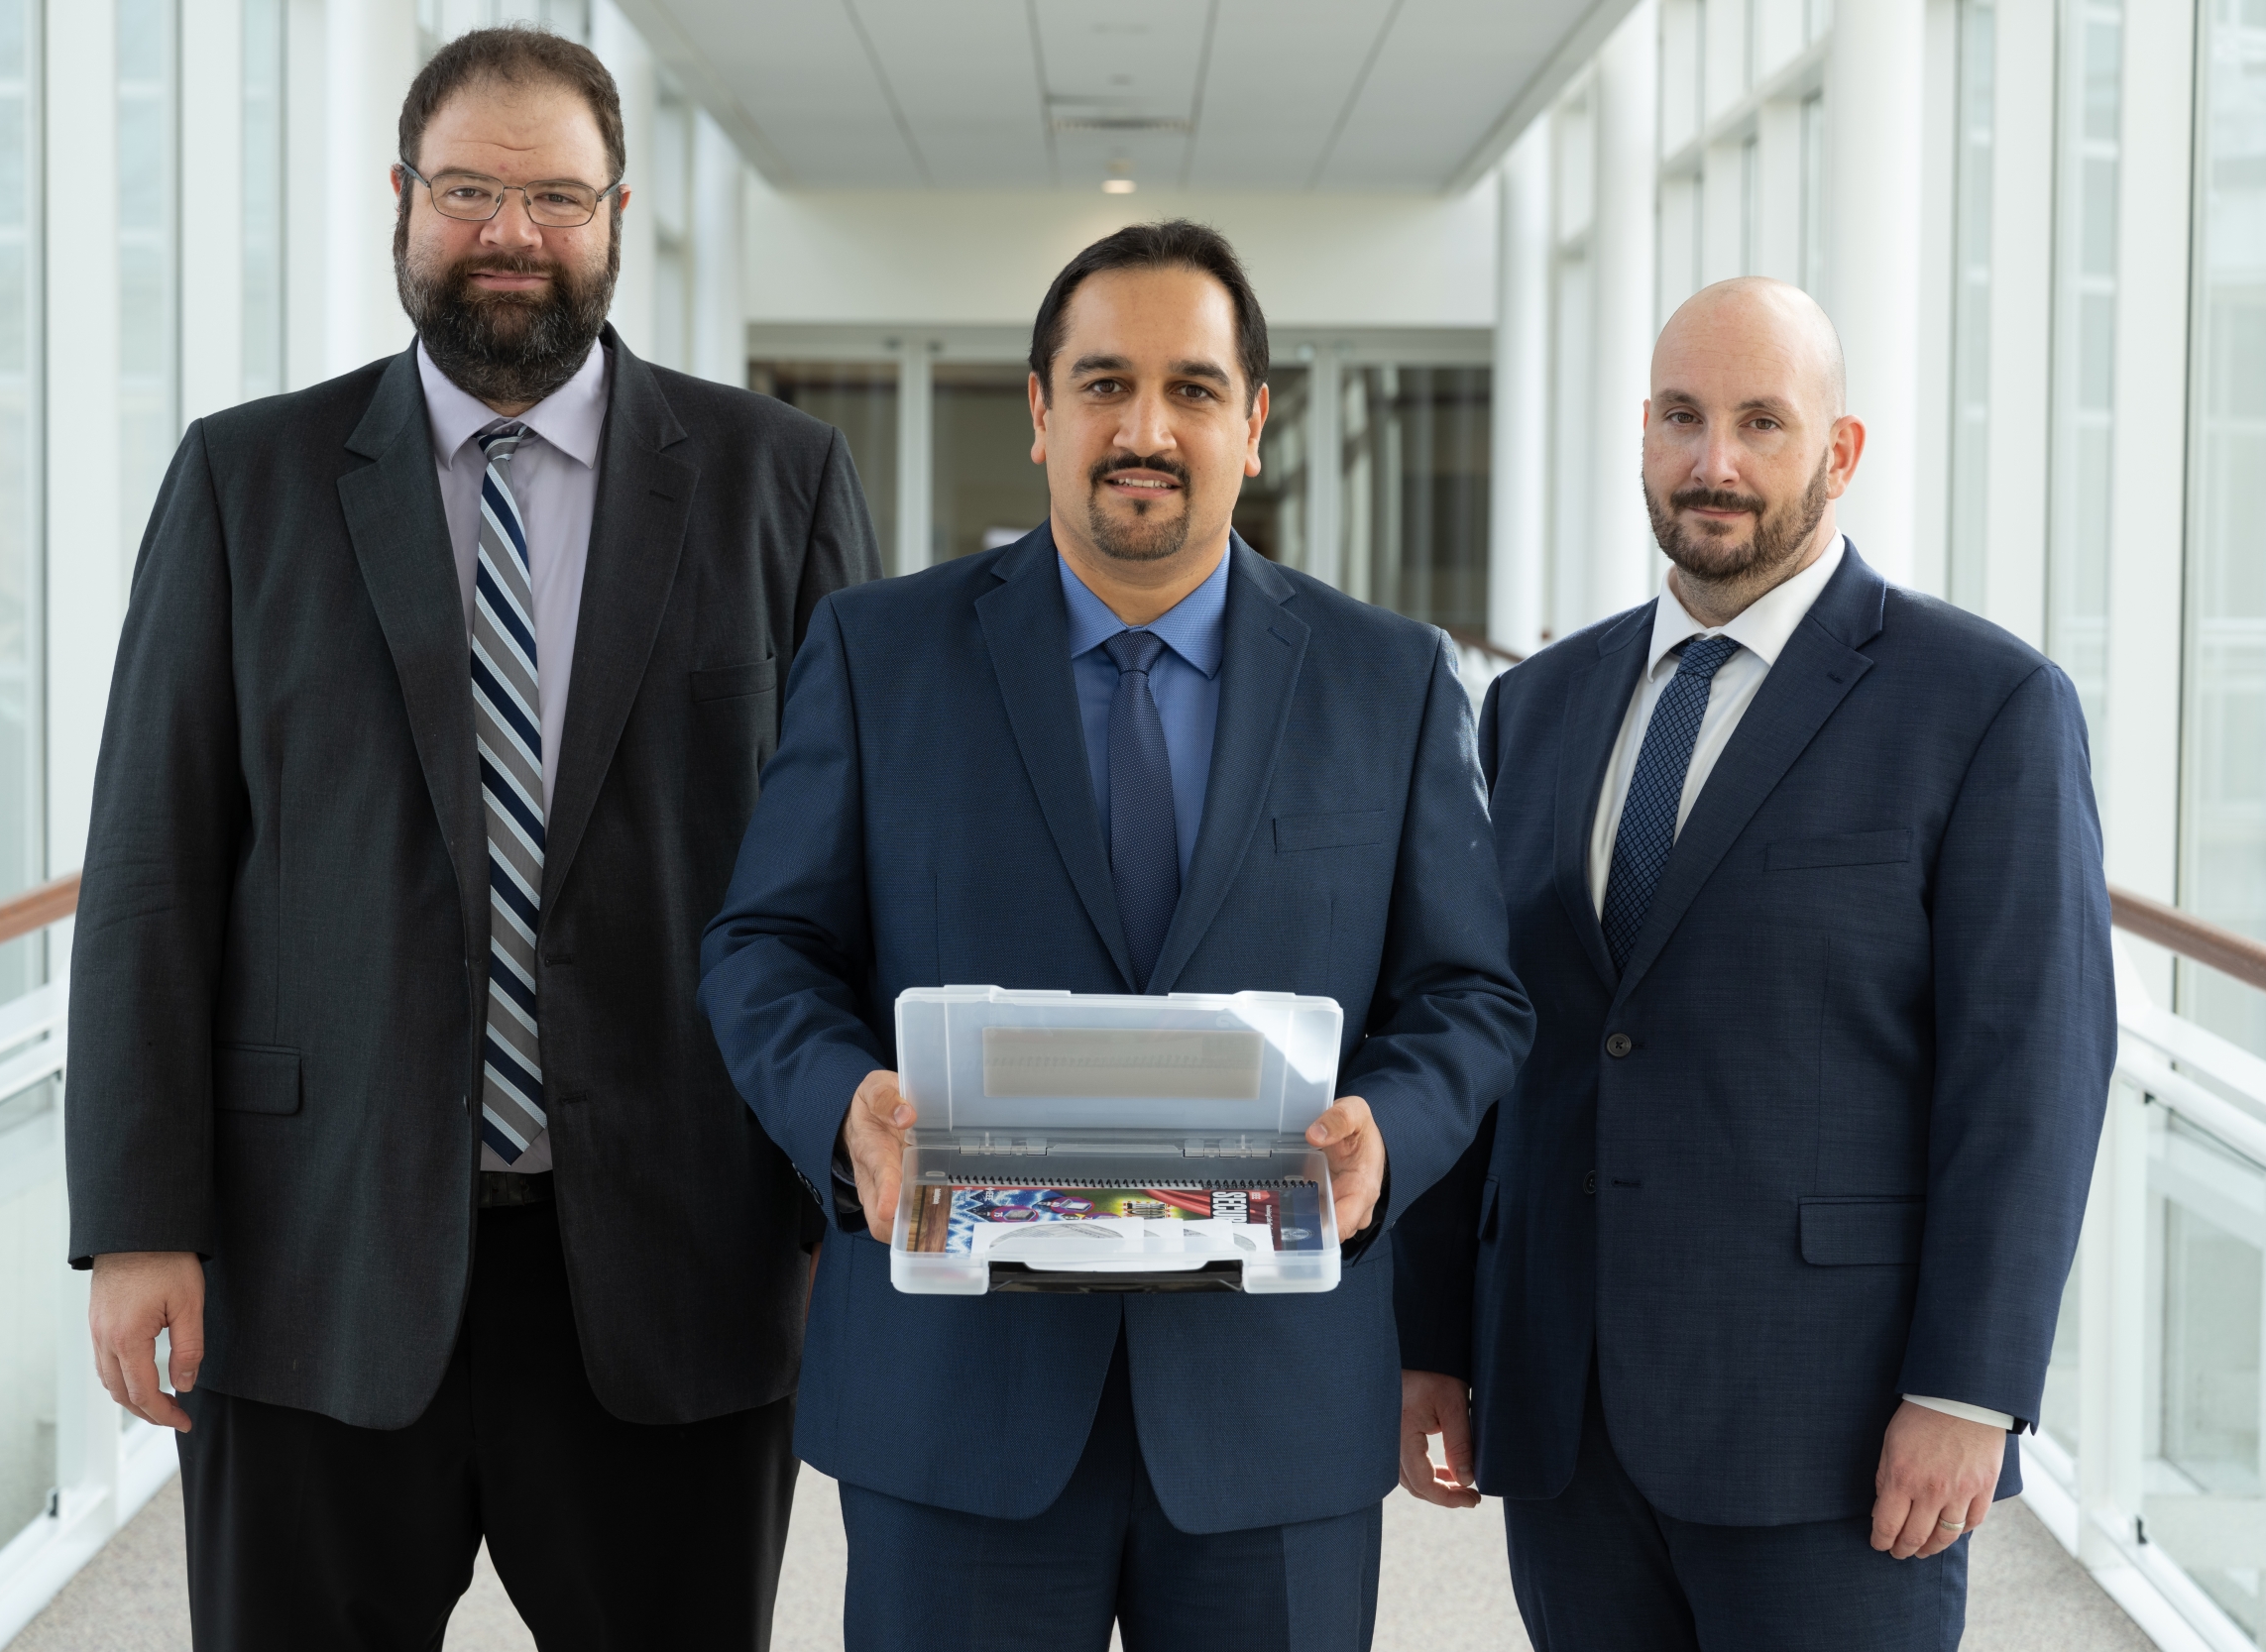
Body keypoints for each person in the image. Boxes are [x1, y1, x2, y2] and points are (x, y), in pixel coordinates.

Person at [62, 26, 880, 1650]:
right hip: (318, 1256)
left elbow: (852, 876)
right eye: (469, 192)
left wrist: (841, 1209)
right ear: (400, 202)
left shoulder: (773, 483)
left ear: (620, 214)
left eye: (557, 197)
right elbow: (153, 866)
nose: (511, 234)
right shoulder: (249, 480)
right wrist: (138, 1217)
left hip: (683, 1264)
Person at [697, 220, 1534, 1650]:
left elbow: (1469, 994)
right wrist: (846, 1110)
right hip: (958, 1403)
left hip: (1269, 1408)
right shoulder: (878, 654)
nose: (1145, 428)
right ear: (1038, 414)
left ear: (1255, 424)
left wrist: (1388, 1131)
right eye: (1102, 384)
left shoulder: (1387, 679)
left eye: (1194, 389)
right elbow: (761, 948)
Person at [1393, 276, 2115, 1649]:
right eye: (1681, 418)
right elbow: (1481, 1035)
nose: (1711, 465)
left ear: (1838, 454)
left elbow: (2032, 1073)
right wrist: (1432, 1335)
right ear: (1644, 434)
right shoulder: (1536, 707)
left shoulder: (1985, 707)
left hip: (1833, 1429)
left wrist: (1969, 1392)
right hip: (1565, 1410)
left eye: (1761, 424)